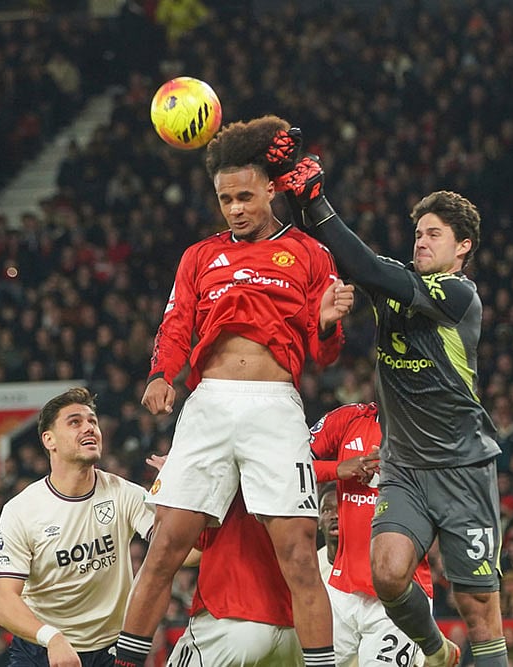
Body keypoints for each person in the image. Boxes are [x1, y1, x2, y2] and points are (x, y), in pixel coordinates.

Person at [116, 115, 354, 667]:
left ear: (271, 189)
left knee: (299, 554)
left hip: (275, 411)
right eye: (226, 199)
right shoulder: (200, 256)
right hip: (209, 407)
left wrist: (325, 321)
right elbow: (176, 322)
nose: (236, 208)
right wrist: (161, 374)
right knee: (164, 549)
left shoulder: (312, 255)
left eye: (245, 196)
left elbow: (325, 354)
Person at [274, 141, 505, 666]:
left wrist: (321, 203)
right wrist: (297, 196)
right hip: (404, 466)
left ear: (462, 246)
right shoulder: (395, 282)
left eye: (434, 234)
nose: (421, 241)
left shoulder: (458, 296)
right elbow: (347, 258)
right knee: (388, 572)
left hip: (462, 467)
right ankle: (436, 650)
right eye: (418, 232)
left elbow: (367, 266)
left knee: (478, 608)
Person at [0, 387, 155, 667]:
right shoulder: (21, 510)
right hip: (42, 647)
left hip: (111, 648)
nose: (89, 428)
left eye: (92, 421)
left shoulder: (124, 493)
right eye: (75, 422)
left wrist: (183, 497)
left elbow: (186, 553)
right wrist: (52, 637)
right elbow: (3, 602)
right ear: (49, 440)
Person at [141, 455, 302, 667]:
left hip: (229, 620)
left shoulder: (214, 485)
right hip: (290, 628)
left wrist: (173, 485)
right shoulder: (284, 476)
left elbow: (178, 551)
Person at [311, 402, 434, 667]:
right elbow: (292, 464)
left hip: (400, 594)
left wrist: (395, 473)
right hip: (342, 589)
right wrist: (338, 469)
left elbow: (446, 501)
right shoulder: (350, 418)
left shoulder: (430, 430)